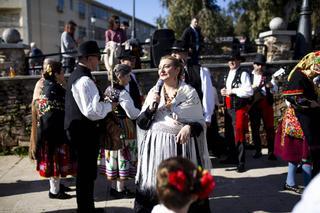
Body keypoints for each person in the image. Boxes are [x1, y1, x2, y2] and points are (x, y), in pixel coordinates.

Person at [134, 55, 212, 213]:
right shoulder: (153, 93)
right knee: (154, 190)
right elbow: (141, 123)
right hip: (155, 151)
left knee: (182, 191)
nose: (161, 70)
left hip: (181, 151)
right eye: (160, 67)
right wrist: (151, 109)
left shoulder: (189, 93)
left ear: (177, 70)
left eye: (166, 66)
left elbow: (200, 123)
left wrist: (189, 127)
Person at [64, 40, 114, 213]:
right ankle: (86, 210)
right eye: (96, 57)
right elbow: (92, 111)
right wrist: (110, 107)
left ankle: (87, 208)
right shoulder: (84, 79)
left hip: (80, 133)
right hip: (83, 134)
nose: (99, 60)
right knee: (85, 175)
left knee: (86, 174)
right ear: (87, 58)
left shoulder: (78, 75)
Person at [274, 51, 320, 193]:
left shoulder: (307, 76)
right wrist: (312, 104)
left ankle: (291, 182)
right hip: (300, 121)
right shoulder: (298, 76)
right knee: (307, 154)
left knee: (298, 153)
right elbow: (293, 98)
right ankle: (309, 189)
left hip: (305, 120)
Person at [29, 59, 75, 199]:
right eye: (62, 72)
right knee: (55, 162)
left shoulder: (48, 86)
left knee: (55, 163)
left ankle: (56, 187)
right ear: (56, 74)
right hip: (53, 134)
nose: (64, 74)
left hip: (48, 133)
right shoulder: (54, 89)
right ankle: (54, 192)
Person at [99, 64, 140, 198]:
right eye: (128, 76)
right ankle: (120, 189)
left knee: (113, 156)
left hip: (110, 126)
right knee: (123, 155)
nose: (129, 78)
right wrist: (145, 111)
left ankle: (113, 188)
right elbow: (133, 113)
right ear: (120, 77)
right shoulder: (122, 93)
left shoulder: (108, 89)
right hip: (123, 126)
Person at [170, 40, 215, 153]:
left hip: (195, 116)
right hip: (176, 117)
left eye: (177, 52)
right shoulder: (169, 72)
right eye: (173, 53)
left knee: (196, 147)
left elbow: (207, 94)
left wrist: (207, 116)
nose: (174, 56)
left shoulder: (200, 70)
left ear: (185, 54)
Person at [220, 51, 253, 173]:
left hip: (239, 107)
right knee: (229, 133)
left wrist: (232, 91)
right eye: (229, 60)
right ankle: (232, 157)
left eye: (234, 59)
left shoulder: (243, 73)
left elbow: (249, 91)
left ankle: (241, 162)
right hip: (228, 107)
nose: (231, 62)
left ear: (239, 61)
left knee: (238, 133)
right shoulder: (227, 73)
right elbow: (229, 90)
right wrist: (224, 91)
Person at [248, 54, 277, 160]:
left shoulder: (269, 76)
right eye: (258, 64)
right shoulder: (248, 76)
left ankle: (271, 152)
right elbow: (245, 90)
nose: (260, 67)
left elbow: (275, 90)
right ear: (253, 65)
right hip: (254, 105)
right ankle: (257, 150)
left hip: (266, 105)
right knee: (255, 128)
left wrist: (272, 86)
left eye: (261, 65)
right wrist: (251, 88)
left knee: (269, 128)